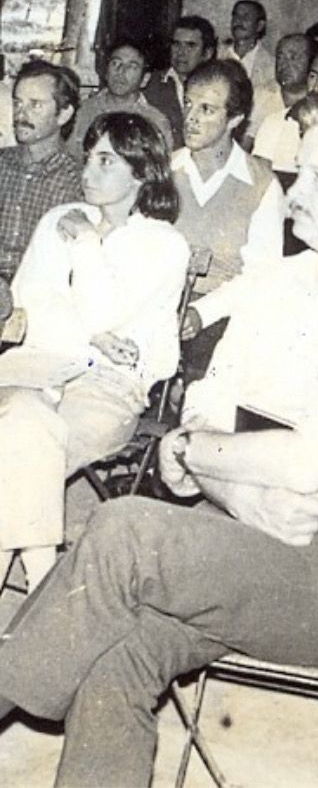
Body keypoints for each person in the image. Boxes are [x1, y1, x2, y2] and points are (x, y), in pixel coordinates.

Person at [0, 98, 318, 786]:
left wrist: (196, 454)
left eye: (317, 178)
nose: (293, 191)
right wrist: (229, 480)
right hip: (242, 541)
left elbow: (308, 459)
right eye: (296, 172)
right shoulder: (279, 281)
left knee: (124, 528)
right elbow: (202, 410)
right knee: (114, 648)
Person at [0, 112, 188, 593]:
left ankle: (38, 582)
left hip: (107, 389)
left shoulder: (164, 245)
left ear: (143, 173)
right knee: (25, 424)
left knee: (20, 437)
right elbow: (27, 306)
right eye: (88, 159)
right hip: (33, 366)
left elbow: (110, 309)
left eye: (106, 161)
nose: (88, 172)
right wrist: (94, 334)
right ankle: (44, 579)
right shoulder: (55, 220)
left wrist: (86, 242)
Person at [172, 60, 283, 375]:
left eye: (207, 110)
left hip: (223, 314)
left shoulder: (262, 184)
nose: (191, 119)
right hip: (159, 305)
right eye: (188, 104)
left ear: (235, 118)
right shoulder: (163, 172)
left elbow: (263, 276)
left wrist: (201, 312)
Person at [0, 60, 83, 281]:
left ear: (64, 114)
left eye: (35, 105)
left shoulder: (77, 180)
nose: (20, 115)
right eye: (18, 103)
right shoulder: (2, 164)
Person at [66, 39, 174, 156]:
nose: (121, 71)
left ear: (145, 79)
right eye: (115, 63)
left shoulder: (156, 121)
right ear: (106, 72)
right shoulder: (82, 112)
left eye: (132, 67)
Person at [142, 15, 217, 144]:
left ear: (207, 53)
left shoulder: (216, 89)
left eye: (190, 45)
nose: (181, 52)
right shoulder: (150, 83)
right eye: (176, 44)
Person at [252, 33, 316, 180]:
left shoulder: (317, 106)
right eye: (280, 57)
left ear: (312, 63)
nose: (284, 65)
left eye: (294, 57)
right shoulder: (258, 97)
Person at [223, 0, 279, 140]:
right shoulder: (216, 57)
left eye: (246, 17)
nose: (238, 21)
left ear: (260, 25)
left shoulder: (271, 66)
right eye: (235, 16)